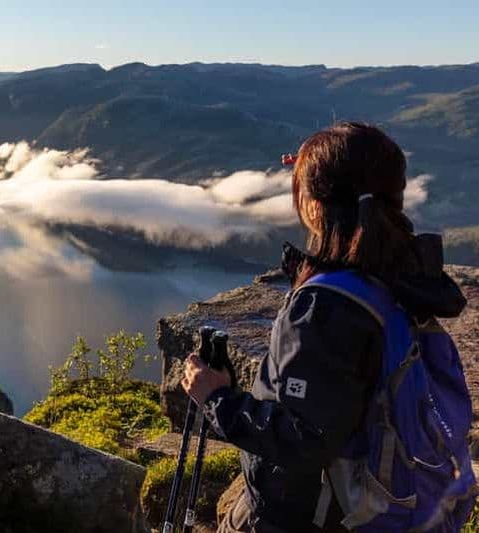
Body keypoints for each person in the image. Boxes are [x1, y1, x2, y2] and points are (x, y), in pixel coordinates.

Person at [181, 122, 468, 532]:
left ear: (319, 205)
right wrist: (320, 173)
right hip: (378, 499)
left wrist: (215, 399)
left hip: (308, 515)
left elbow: (304, 439)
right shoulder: (400, 276)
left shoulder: (327, 308)